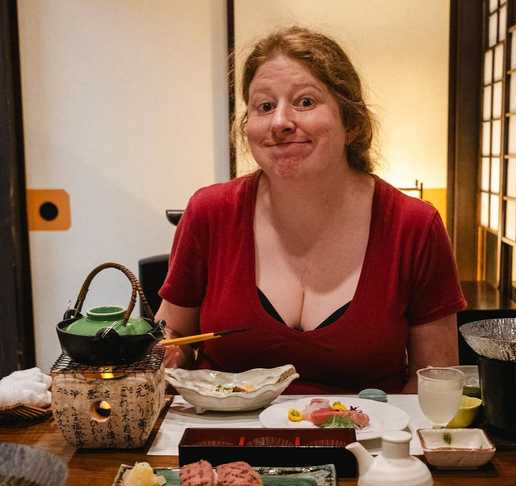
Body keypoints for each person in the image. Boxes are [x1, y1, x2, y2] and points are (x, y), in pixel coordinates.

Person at [156, 26, 466, 394]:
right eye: (264, 106)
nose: (280, 122)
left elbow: (434, 382)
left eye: (305, 102)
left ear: (350, 122)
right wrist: (161, 353)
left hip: (361, 445)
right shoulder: (210, 212)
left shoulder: (413, 225)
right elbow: (175, 336)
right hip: (224, 443)